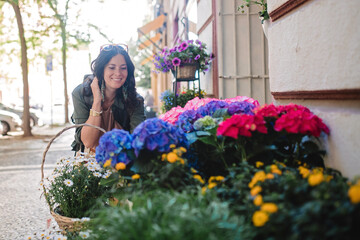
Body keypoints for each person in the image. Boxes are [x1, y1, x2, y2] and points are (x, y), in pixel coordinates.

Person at [71, 43, 145, 154]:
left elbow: (137, 140)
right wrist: (97, 101)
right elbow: (88, 142)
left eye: (123, 68)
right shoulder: (81, 94)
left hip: (122, 159)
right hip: (88, 162)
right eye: (112, 67)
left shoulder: (135, 100)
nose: (118, 73)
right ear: (102, 70)